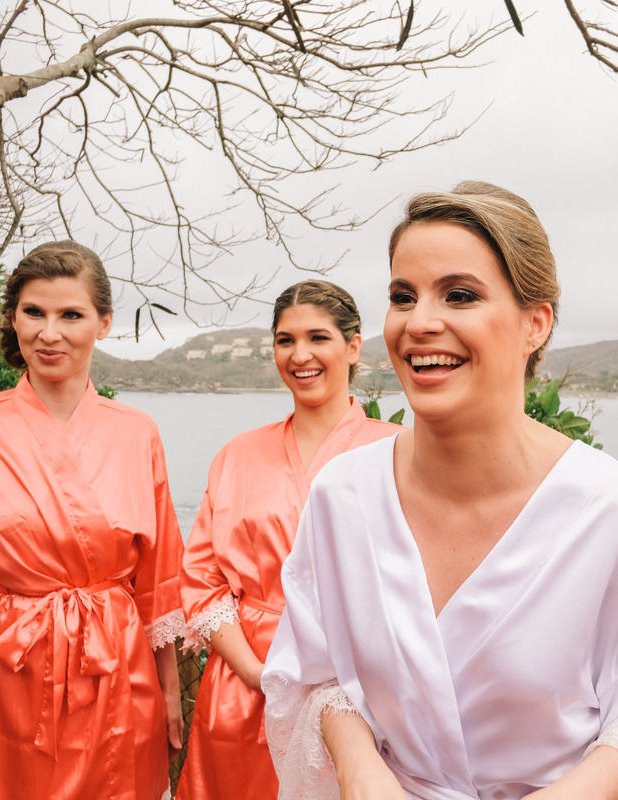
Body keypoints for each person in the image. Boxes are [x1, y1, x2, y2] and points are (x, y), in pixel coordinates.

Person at [262, 181, 618, 800]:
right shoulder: (342, 498)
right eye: (403, 296)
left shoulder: (616, 510)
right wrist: (359, 764)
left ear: (534, 324)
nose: (420, 323)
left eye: (459, 295)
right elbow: (309, 674)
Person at [0, 242, 184, 799]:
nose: (50, 333)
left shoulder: (137, 432)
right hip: (0, 672)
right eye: (34, 313)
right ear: (13, 319)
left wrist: (169, 690)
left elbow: (160, 580)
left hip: (115, 672)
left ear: (103, 323)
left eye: (71, 314)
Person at [178, 280, 401, 799]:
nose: (300, 356)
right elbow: (202, 580)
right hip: (244, 685)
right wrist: (256, 674)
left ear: (352, 346)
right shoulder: (237, 454)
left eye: (317, 338)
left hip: (362, 692)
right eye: (285, 340)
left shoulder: (398, 453)